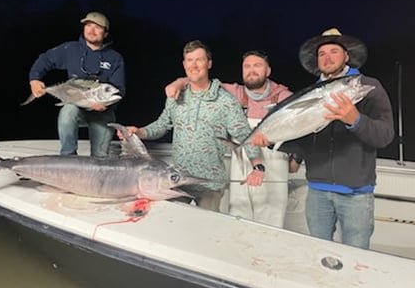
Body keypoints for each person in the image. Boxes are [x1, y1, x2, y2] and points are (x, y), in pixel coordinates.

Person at [251, 28, 395, 249]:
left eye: (334, 51)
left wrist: (355, 120)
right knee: (318, 253)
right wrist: (270, 140)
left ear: (346, 56)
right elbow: (305, 138)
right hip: (317, 190)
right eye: (322, 54)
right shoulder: (312, 92)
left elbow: (385, 135)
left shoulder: (368, 87)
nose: (327, 58)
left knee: (356, 257)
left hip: (356, 193)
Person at [119, 40, 265, 211]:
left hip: (210, 185)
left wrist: (258, 166)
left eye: (199, 60)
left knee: (206, 233)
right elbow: (161, 125)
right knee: (175, 227)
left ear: (209, 63)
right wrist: (139, 132)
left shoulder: (226, 101)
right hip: (177, 181)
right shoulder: (176, 96)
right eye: (189, 60)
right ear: (184, 64)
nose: (194, 65)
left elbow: (243, 134)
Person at [165, 50, 294, 227]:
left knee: (271, 218)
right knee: (239, 215)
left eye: (257, 65)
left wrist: (295, 159)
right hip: (241, 162)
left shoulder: (284, 97)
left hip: (273, 164)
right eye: (247, 66)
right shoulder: (235, 93)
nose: (251, 70)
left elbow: (298, 130)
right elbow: (201, 81)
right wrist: (178, 82)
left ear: (268, 71)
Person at [29, 11, 126, 157]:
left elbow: (119, 90)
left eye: (97, 27)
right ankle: (68, 157)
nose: (91, 30)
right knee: (68, 111)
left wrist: (107, 105)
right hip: (76, 108)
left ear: (105, 33)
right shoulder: (71, 49)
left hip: (102, 112)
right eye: (88, 25)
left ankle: (97, 163)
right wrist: (34, 79)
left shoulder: (115, 58)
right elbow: (45, 60)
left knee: (100, 157)